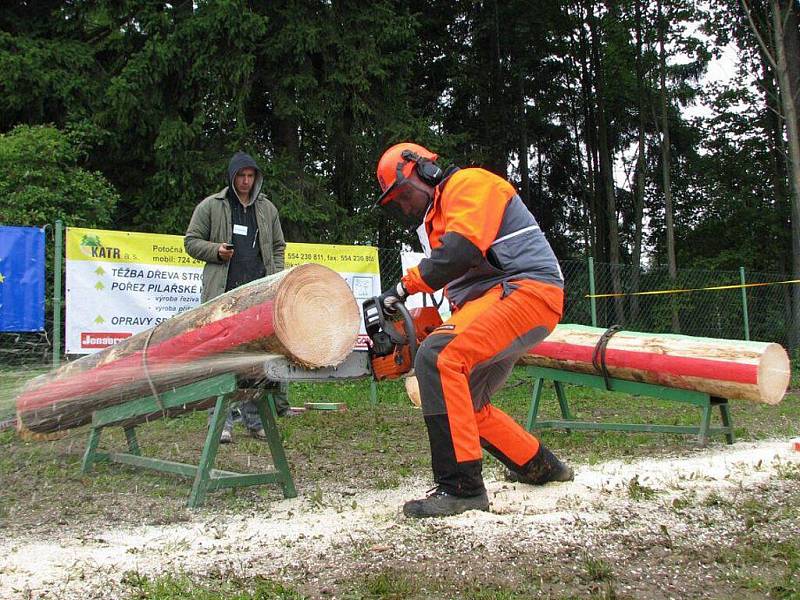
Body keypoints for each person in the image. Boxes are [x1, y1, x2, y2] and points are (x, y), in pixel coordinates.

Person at [374, 142, 574, 518]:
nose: (404, 205)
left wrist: (402, 287)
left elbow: (460, 253)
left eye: (403, 194)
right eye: (395, 202)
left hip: (526, 290)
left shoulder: (468, 184)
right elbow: (456, 277)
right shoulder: (435, 222)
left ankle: (461, 488)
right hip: (500, 299)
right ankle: (542, 466)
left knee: (436, 356)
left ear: (423, 170)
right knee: (464, 402)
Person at [185, 151, 298, 444]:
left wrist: (275, 276)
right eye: (241, 176)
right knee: (224, 361)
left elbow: (278, 245)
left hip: (258, 296)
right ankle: (222, 422)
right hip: (223, 295)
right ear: (232, 177)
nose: (246, 181)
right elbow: (191, 242)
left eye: (251, 176)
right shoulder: (212, 206)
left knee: (256, 361)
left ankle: (256, 420)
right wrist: (215, 252)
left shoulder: (267, 209)